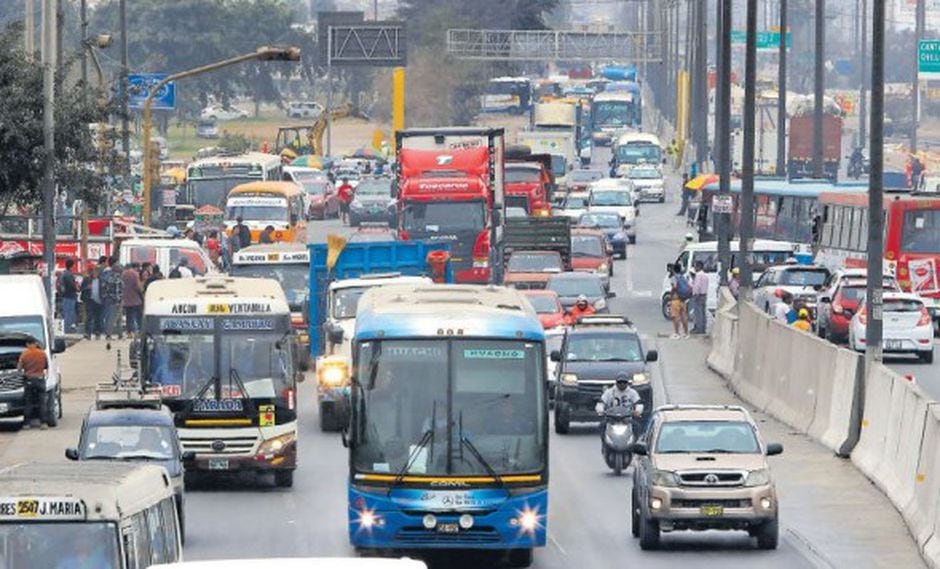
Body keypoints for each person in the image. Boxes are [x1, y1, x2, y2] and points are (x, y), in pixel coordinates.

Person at [595, 373, 642, 447]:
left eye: (624, 382)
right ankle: (605, 444)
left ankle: (633, 444)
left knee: (636, 427)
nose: (622, 384)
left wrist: (637, 411)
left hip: (627, 419)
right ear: (616, 383)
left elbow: (639, 403)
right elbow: (601, 403)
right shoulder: (609, 392)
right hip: (611, 419)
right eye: (620, 382)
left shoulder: (632, 393)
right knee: (602, 426)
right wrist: (600, 411)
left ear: (627, 383)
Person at [17, 337, 47, 428]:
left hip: (29, 380)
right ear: (35, 343)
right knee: (42, 402)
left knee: (28, 402)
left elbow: (19, 368)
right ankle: (43, 423)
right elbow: (46, 366)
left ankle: (26, 424)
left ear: (27, 344)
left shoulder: (24, 354)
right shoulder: (42, 353)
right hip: (40, 379)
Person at [101, 256, 124, 340]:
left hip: (108, 299)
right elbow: (117, 290)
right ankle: (109, 334)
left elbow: (104, 288)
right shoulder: (116, 277)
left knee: (114, 317)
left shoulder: (106, 275)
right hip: (115, 300)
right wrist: (119, 301)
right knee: (113, 318)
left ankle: (120, 333)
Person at [122, 263, 144, 337]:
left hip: (126, 299)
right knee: (138, 316)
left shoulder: (123, 274)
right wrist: (142, 291)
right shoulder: (135, 274)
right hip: (136, 299)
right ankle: (139, 331)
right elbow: (138, 287)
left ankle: (129, 332)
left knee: (129, 317)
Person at [80, 266, 102, 340]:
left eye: (96, 272)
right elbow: (81, 288)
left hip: (99, 301)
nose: (95, 274)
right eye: (94, 272)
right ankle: (87, 333)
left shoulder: (101, 280)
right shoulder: (87, 280)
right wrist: (87, 287)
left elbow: (103, 289)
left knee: (98, 318)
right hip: (90, 300)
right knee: (89, 316)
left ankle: (97, 332)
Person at [669, 263, 690, 338]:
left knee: (675, 317)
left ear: (674, 270)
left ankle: (676, 333)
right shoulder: (683, 277)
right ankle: (686, 333)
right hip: (683, 299)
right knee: (684, 316)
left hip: (676, 299)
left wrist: (671, 295)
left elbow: (674, 287)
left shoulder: (674, 278)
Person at [58, 259, 79, 334]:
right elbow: (71, 285)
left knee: (66, 312)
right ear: (71, 266)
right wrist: (76, 288)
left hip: (65, 296)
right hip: (70, 296)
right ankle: (67, 329)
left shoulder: (64, 274)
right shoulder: (69, 275)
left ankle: (67, 328)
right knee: (69, 313)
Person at [690, 260, 709, 334]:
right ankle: (703, 328)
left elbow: (697, 286)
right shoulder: (705, 276)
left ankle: (698, 328)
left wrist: (695, 294)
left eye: (695, 266)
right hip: (704, 295)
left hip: (698, 295)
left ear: (698, 267)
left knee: (698, 313)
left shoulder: (698, 275)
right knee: (703, 312)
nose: (695, 268)